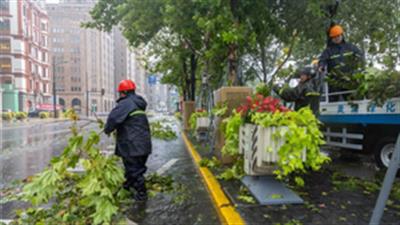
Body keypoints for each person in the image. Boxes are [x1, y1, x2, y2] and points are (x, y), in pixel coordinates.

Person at [104, 79, 152, 201]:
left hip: (132, 145)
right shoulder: (138, 103)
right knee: (135, 168)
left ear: (123, 92)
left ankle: (142, 194)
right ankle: (127, 186)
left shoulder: (125, 104)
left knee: (134, 170)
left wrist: (107, 129)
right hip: (144, 145)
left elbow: (113, 119)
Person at [318, 24, 364, 101]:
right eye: (334, 37)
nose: (337, 38)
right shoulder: (328, 51)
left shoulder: (350, 47)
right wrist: (321, 66)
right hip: (334, 82)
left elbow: (360, 56)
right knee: (333, 102)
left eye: (338, 36)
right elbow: (322, 60)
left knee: (352, 101)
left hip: (350, 80)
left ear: (342, 35)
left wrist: (360, 65)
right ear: (331, 38)